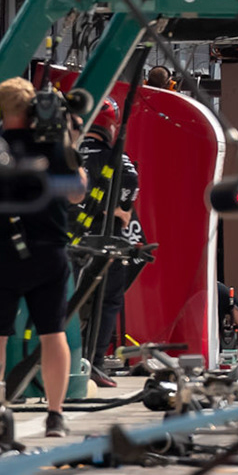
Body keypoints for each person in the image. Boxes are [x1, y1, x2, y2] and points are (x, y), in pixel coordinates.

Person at [0, 79, 86, 436]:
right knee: (52, 332)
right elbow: (76, 193)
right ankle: (54, 415)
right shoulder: (53, 144)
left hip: (6, 252)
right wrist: (71, 142)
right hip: (50, 253)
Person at [76, 100, 145, 387]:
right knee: (108, 299)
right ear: (110, 125)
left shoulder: (68, 153)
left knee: (68, 300)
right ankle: (93, 361)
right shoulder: (115, 156)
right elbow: (130, 180)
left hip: (68, 238)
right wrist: (118, 208)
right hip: (104, 241)